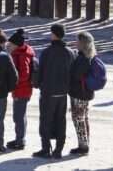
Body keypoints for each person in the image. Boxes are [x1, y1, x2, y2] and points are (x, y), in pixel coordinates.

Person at [33, 23, 76, 159]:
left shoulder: (47, 52)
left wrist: (37, 84)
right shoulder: (70, 53)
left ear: (54, 35)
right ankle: (58, 150)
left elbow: (40, 72)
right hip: (63, 93)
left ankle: (46, 148)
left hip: (48, 92)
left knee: (46, 120)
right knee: (60, 120)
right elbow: (72, 72)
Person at [68, 31, 97, 156]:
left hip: (79, 92)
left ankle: (83, 146)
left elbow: (77, 75)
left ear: (82, 43)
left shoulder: (82, 58)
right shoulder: (90, 56)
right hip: (85, 92)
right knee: (83, 118)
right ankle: (85, 143)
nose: (76, 43)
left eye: (78, 41)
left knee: (78, 119)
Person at [7, 28, 35, 150]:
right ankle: (19, 139)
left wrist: (14, 82)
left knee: (19, 116)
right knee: (19, 116)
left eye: (10, 44)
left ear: (16, 45)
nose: (8, 46)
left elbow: (24, 74)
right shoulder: (22, 53)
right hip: (23, 89)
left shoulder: (21, 55)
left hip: (21, 89)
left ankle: (20, 141)